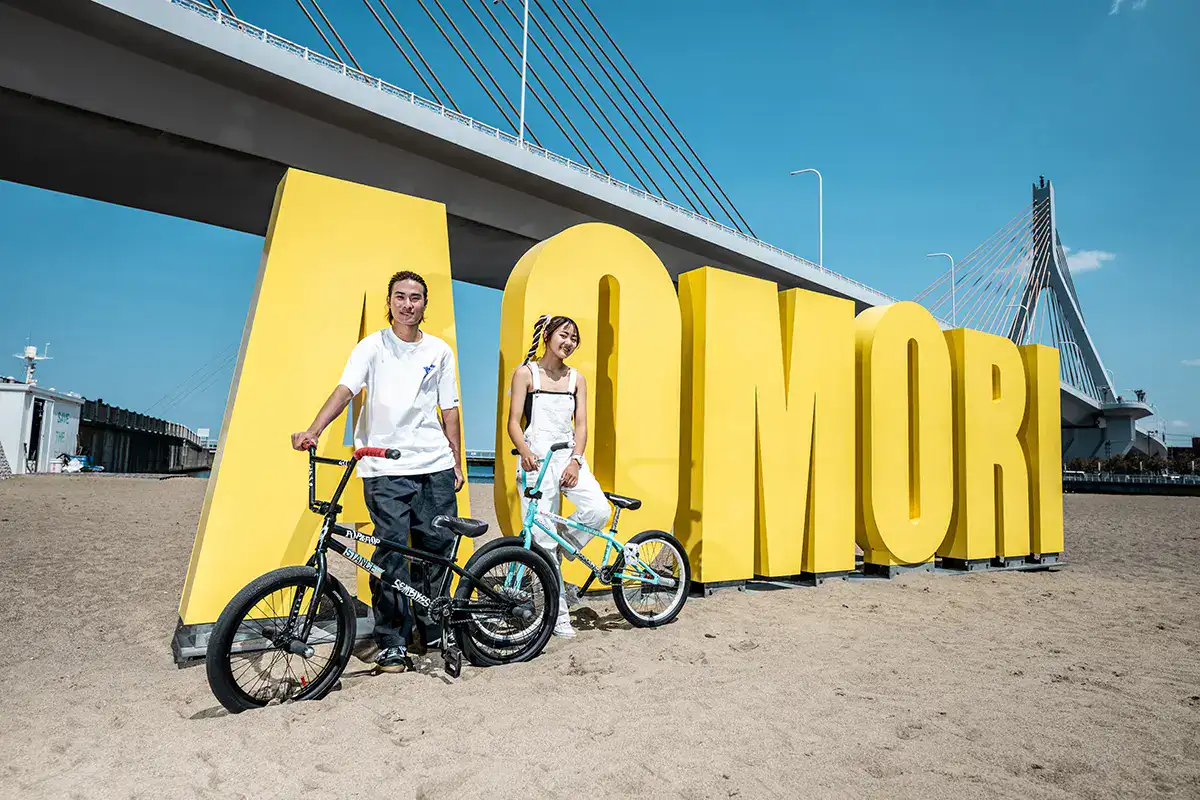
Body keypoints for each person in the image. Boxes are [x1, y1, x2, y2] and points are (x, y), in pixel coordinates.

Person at [291, 270, 464, 672]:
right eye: (400, 297)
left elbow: (449, 409)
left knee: (435, 550)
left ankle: (434, 627)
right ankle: (393, 641)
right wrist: (314, 429)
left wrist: (456, 460)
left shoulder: (439, 351)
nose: (408, 304)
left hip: (434, 464)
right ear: (389, 303)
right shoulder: (371, 348)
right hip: (384, 467)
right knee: (390, 554)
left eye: (416, 297)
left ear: (425, 304)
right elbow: (345, 390)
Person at [507, 315, 611, 639]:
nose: (568, 343)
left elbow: (581, 426)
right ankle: (557, 614)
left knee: (599, 510)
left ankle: (564, 546)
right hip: (535, 459)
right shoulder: (526, 374)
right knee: (542, 540)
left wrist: (576, 462)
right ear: (548, 335)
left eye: (574, 338)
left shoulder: (576, 379)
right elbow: (513, 422)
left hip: (567, 456)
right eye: (564, 335)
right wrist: (524, 451)